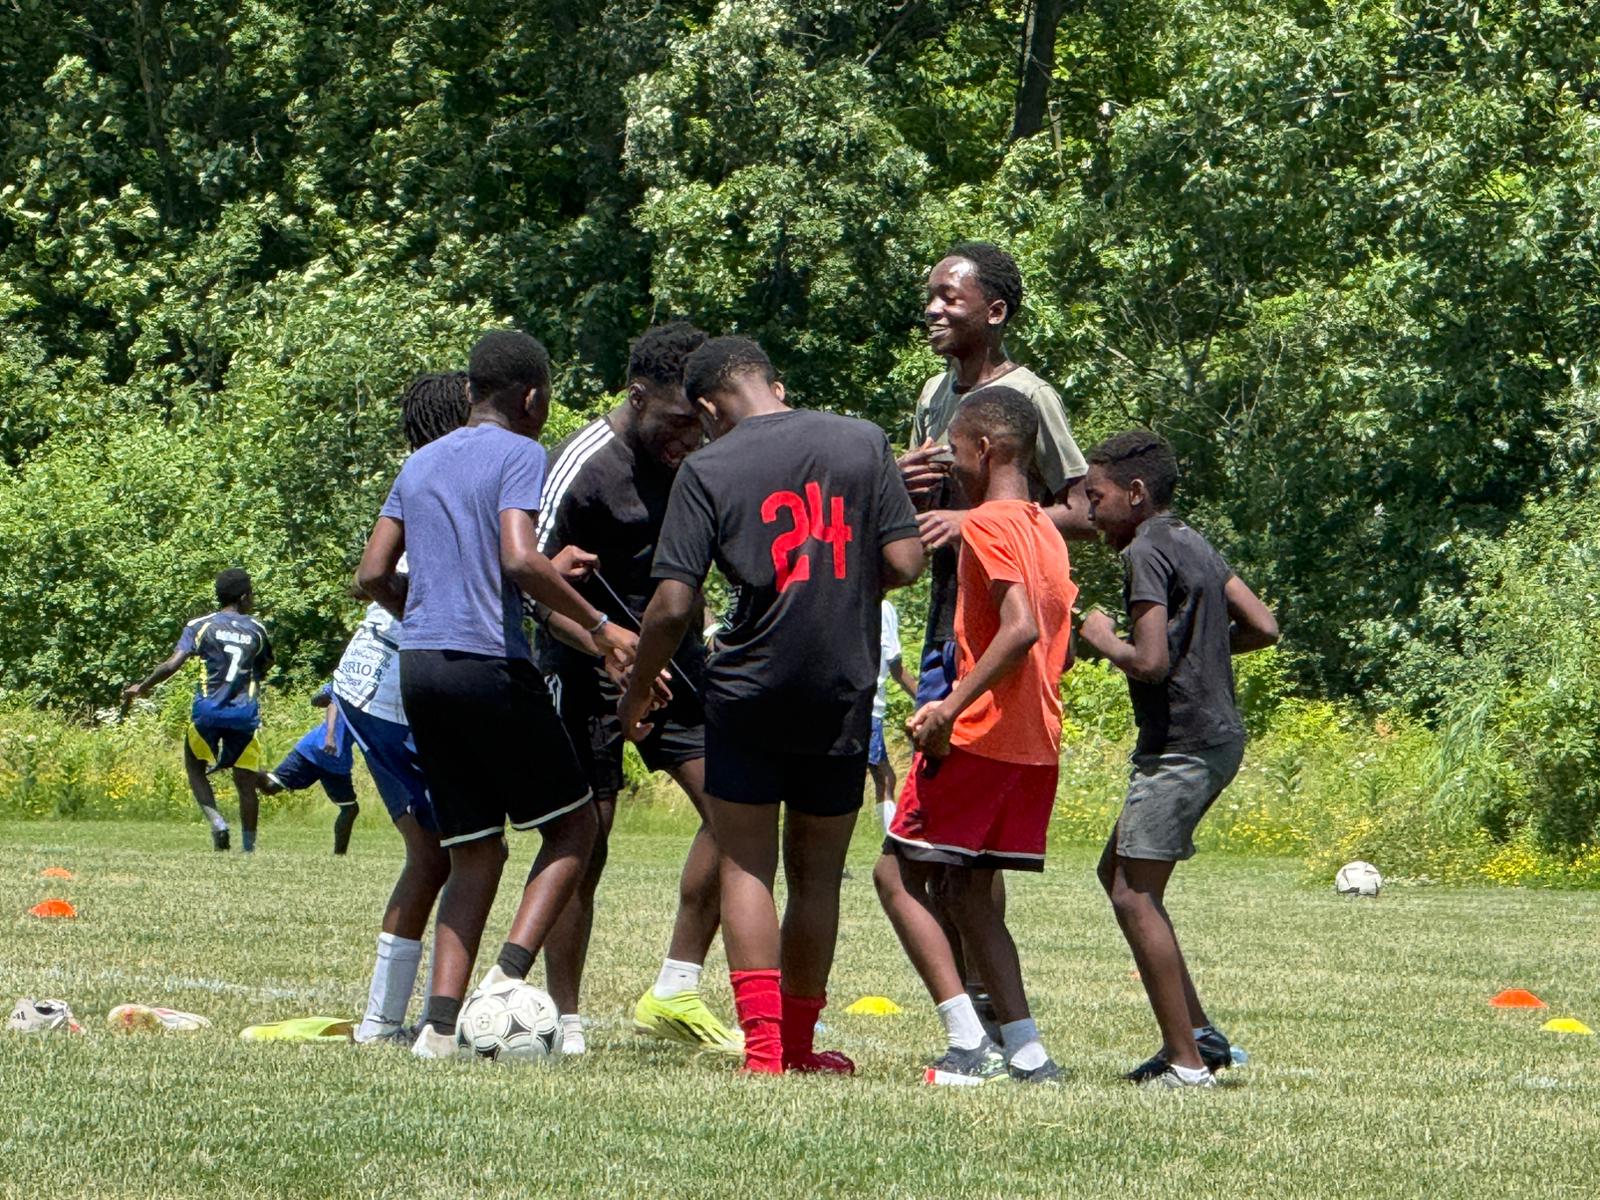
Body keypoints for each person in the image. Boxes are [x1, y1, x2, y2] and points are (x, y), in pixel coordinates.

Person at [618, 336, 924, 1075]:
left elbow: (671, 603)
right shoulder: (861, 441)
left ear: (706, 405)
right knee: (817, 875)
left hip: (749, 689)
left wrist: (637, 691)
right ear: (773, 383)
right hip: (840, 687)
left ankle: (762, 1053)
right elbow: (906, 563)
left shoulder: (707, 467)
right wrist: (837, 580)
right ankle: (796, 1045)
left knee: (748, 866)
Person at [357, 330, 637, 1060]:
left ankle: (439, 1031)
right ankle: (505, 983)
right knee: (574, 829)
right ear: (532, 398)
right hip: (489, 665)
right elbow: (517, 556)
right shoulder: (521, 452)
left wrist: (434, 607)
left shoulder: (419, 462)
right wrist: (601, 626)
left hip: (422, 667)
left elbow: (372, 574)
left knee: (474, 849)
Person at [895, 240, 1092, 1029]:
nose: (934, 309)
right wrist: (896, 482)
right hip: (949, 626)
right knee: (945, 841)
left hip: (1006, 635)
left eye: (951, 296)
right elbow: (917, 526)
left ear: (995, 311)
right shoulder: (932, 394)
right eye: (930, 296)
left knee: (961, 848)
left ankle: (982, 1006)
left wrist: (976, 517)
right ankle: (976, 1004)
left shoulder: (1029, 397)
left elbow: (1080, 508)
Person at [533, 321, 741, 1056]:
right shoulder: (583, 463)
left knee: (737, 812)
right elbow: (525, 579)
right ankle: (564, 1019)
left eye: (701, 421)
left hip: (676, 667)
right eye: (677, 421)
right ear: (637, 395)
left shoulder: (704, 462)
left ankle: (676, 986)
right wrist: (597, 638)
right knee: (585, 842)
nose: (689, 437)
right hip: (582, 669)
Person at [874, 388, 1077, 1085]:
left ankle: (968, 1044)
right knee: (968, 894)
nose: (953, 467)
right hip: (1035, 743)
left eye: (956, 451)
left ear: (983, 449)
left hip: (981, 736)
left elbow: (1019, 627)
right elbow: (1059, 640)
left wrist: (948, 708)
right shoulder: (1047, 530)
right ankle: (1027, 1051)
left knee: (894, 875)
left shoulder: (986, 526)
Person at [1076, 430, 1279, 1089]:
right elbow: (1263, 625)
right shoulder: (1189, 539)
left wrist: (1102, 637)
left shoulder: (1144, 551)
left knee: (1135, 895)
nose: (1086, 508)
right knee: (1118, 873)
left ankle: (1187, 1065)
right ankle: (1198, 1034)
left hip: (1182, 743)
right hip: (1216, 736)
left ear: (1135, 495)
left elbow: (1151, 661)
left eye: (1096, 495)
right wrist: (1205, 649)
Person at [339, 372, 468, 1045]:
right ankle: (390, 1021)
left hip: (365, 683)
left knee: (437, 852)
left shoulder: (420, 472)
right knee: (447, 853)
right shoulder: (447, 477)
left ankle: (388, 1020)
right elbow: (375, 577)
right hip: (395, 688)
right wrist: (425, 619)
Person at [123, 568, 273, 852]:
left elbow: (171, 665)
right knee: (245, 779)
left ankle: (217, 823)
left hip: (208, 711)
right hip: (244, 714)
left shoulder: (201, 625)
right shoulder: (257, 629)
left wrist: (141, 687)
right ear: (244, 597)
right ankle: (249, 848)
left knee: (195, 767)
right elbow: (264, 665)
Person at [258, 684, 359, 854]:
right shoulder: (350, 682)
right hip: (315, 749)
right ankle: (244, 771)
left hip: (336, 762)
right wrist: (330, 735)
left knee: (350, 808)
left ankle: (339, 857)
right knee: (270, 787)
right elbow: (327, 702)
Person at [869, 599, 917, 834]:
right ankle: (891, 842)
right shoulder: (882, 607)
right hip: (868, 708)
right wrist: (924, 698)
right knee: (884, 776)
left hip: (842, 703)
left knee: (883, 775)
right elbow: (895, 666)